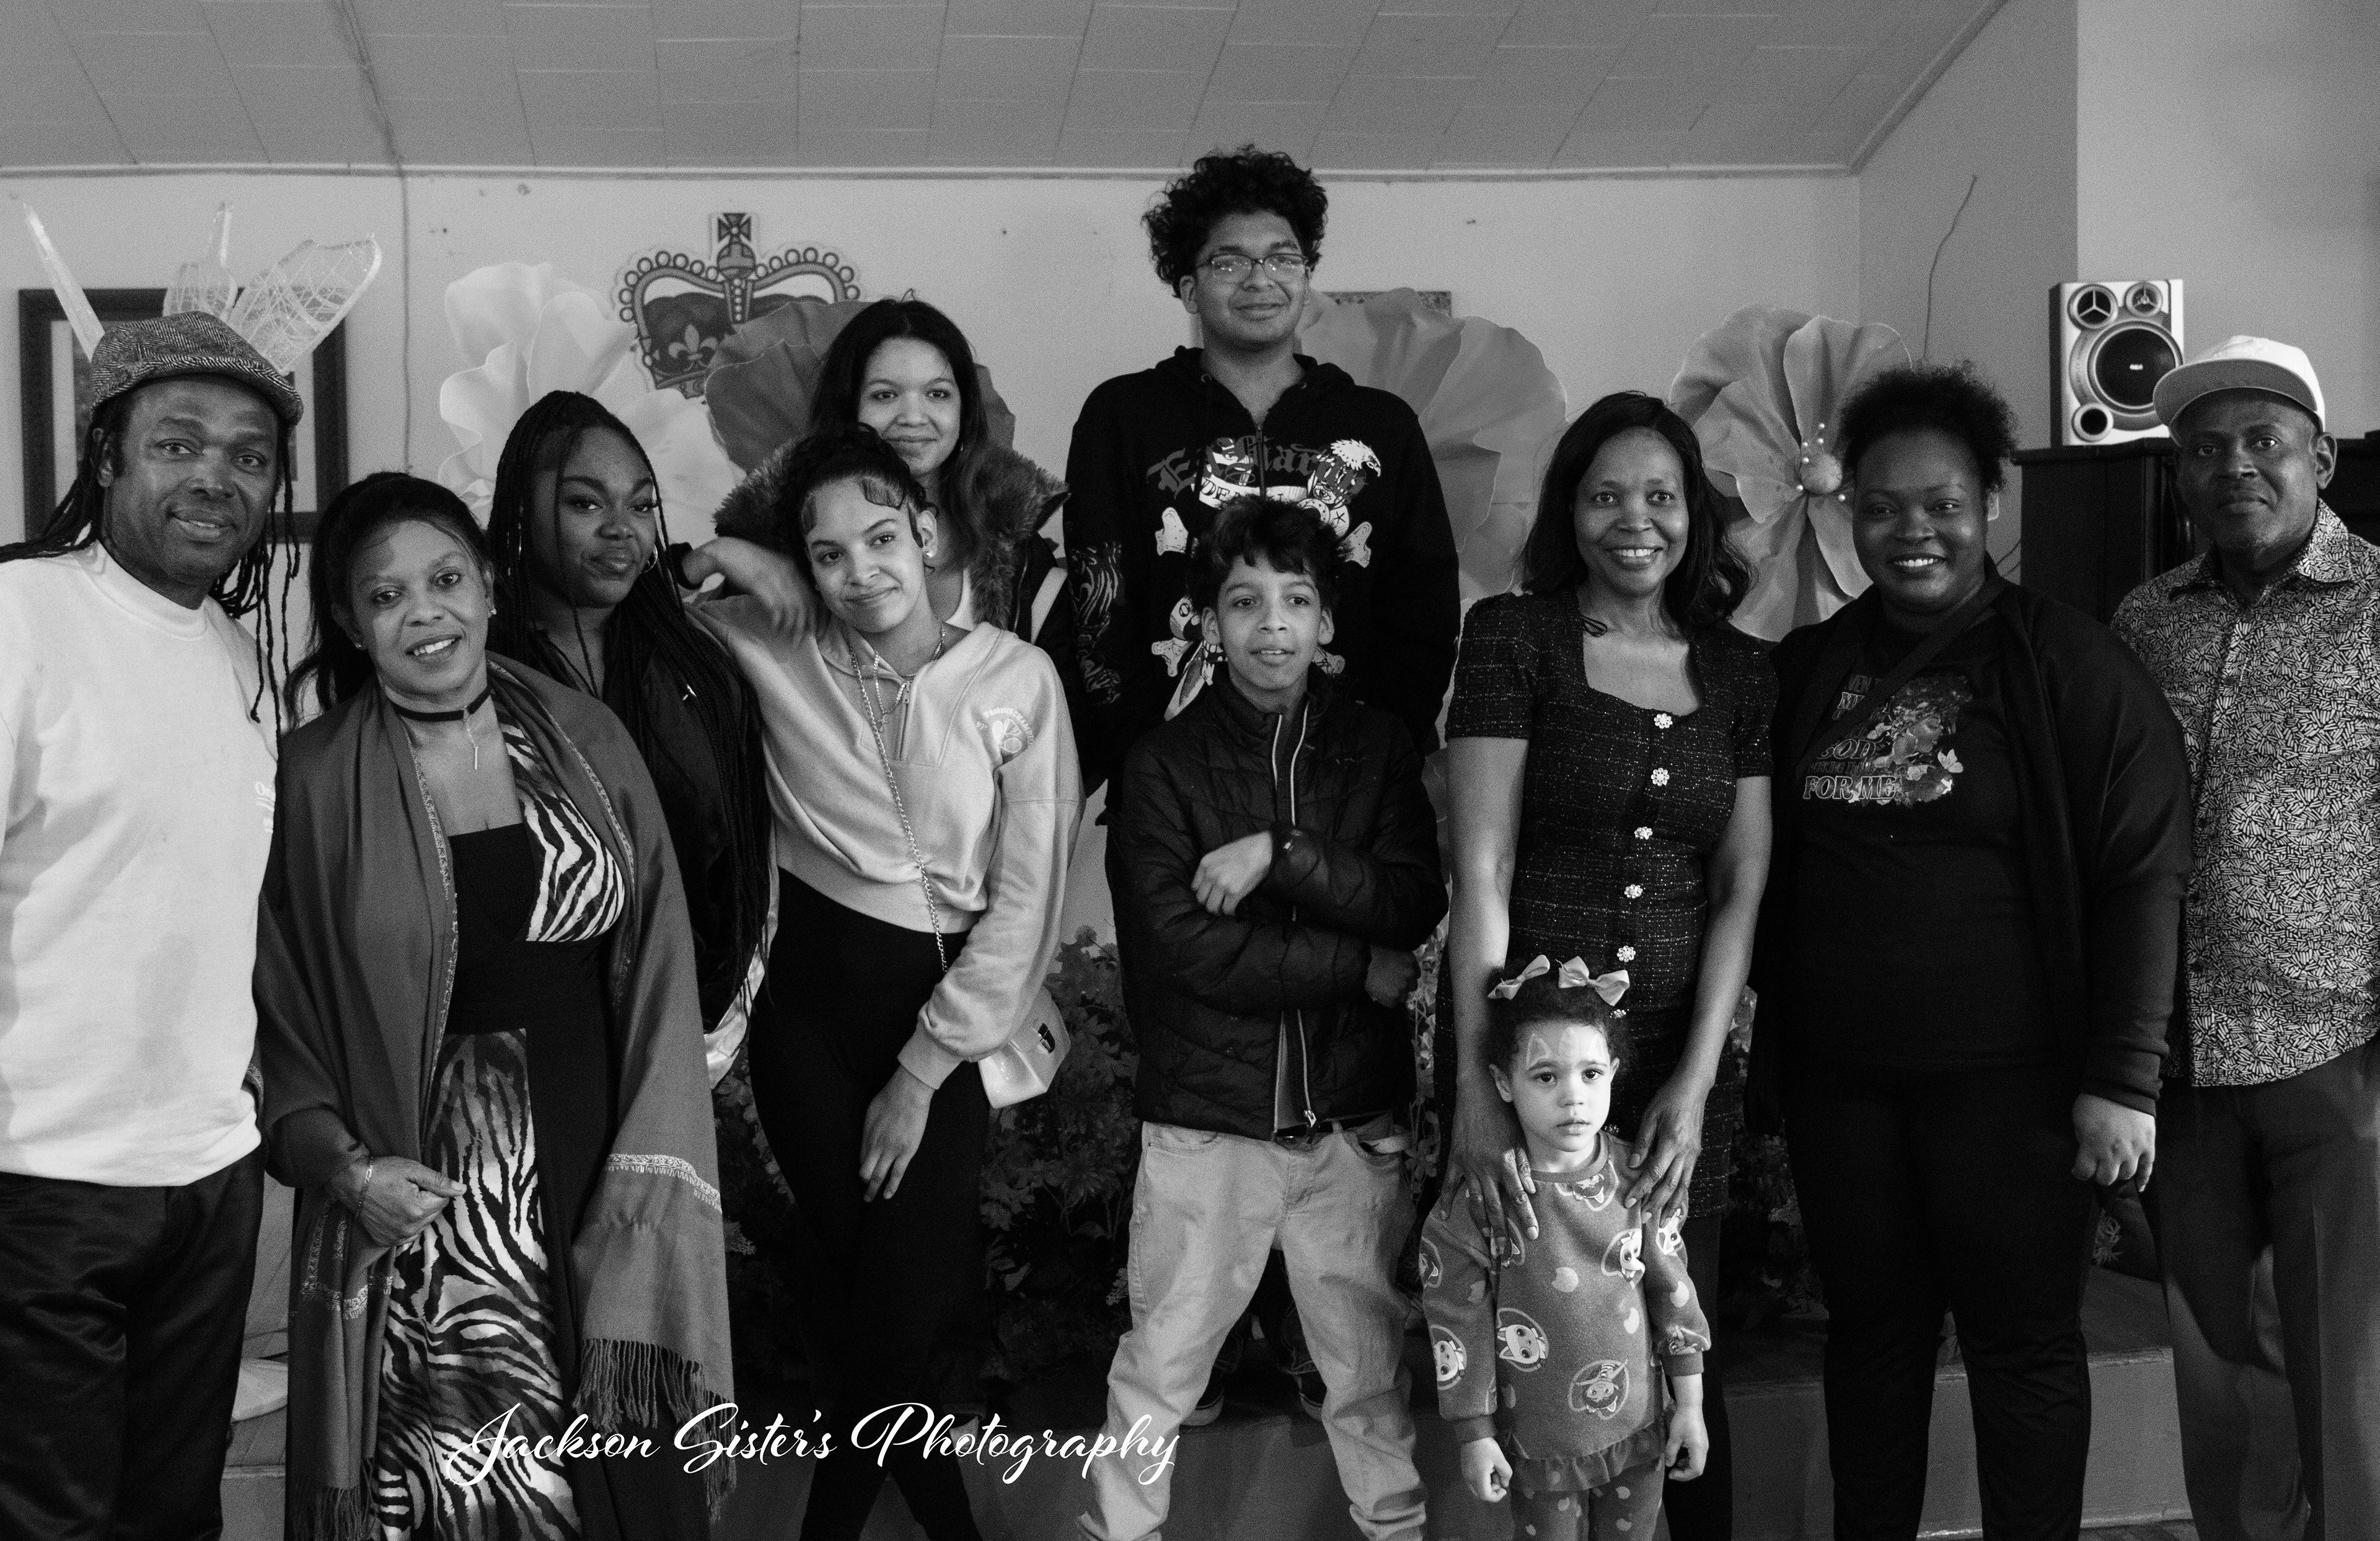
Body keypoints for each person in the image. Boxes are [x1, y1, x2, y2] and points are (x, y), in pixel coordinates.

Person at [1751, 363, 2192, 1540]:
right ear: (1848, 514)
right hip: (1844, 1088)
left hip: (2017, 1092)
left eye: (1942, 504)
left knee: (2023, 1344)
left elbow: (2145, 871)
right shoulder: (1810, 668)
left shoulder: (2066, 662)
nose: (1914, 531)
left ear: (1991, 502)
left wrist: (2124, 1077)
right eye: (1882, 507)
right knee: (1871, 1336)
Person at [259, 474, 731, 1540]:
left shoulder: (584, 735)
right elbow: (277, 1013)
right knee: (476, 1495)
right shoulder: (314, 779)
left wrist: (653, 1151)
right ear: (352, 624)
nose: (424, 612)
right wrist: (350, 1172)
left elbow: (660, 954)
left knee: (628, 1484)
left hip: (606, 1158)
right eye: (387, 596)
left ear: (486, 586)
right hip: (436, 1209)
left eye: (445, 579)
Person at [696, 426, 1082, 1541]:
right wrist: (726, 557)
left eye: (879, 539)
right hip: (805, 1027)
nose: (860, 571)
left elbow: (1027, 897)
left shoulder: (1017, 679)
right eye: (826, 554)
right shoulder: (773, 642)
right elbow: (638, 602)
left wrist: (921, 1072)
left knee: (890, 1317)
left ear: (924, 531)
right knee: (870, 1308)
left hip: (942, 1030)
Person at [1440, 391, 1770, 1539]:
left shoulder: (1742, 671)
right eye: (1606, 495)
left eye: (1662, 495)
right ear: (1570, 511)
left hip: (1677, 1058)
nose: (1637, 520)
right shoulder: (1513, 637)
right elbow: (1481, 868)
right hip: (1532, 1070)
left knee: (1682, 1334)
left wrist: (1696, 1084)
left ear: (1695, 516)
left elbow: (1740, 885)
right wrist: (1478, 1087)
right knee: (1528, 1324)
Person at [1083, 496, 1445, 1541]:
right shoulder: (1163, 765)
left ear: (1327, 620)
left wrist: (1283, 854)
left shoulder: (1376, 748)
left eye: (1296, 600)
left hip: (1350, 1125)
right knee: (1160, 1369)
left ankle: (1396, 1531)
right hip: (1208, 1126)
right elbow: (1182, 952)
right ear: (1211, 621)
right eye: (1245, 602)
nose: (1272, 624)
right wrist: (1353, 964)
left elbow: (1409, 899)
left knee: (1367, 1379)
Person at [0, 312, 297, 1540]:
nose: (216, 476)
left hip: (211, 1174)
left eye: (249, 456)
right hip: (41, 1177)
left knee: (176, 1515)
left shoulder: (239, 659)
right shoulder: (19, 617)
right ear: (106, 456)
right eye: (178, 443)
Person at [2112, 336, 2378, 1540]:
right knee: (2221, 1390)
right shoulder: (2144, 619)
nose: (2234, 467)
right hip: (2186, 1067)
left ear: (2320, 457)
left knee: (2351, 1385)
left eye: (2261, 440)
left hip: (2342, 1056)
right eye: (2204, 450)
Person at [1061, 143, 1460, 795]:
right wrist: (1147, 761)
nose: (1259, 279)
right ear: (1188, 288)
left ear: (1308, 277)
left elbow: (1423, 609)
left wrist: (1380, 752)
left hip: (1351, 783)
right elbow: (1099, 607)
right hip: (1173, 782)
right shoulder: (1122, 417)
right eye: (1229, 261)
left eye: (1282, 258)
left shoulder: (1381, 425)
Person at [1423, 963, 1712, 1541]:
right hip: (1539, 1451)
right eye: (1546, 1076)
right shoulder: (1480, 1203)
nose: (1574, 1096)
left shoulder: (1640, 1182)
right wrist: (1475, 1434)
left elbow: (1676, 1298)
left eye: (1591, 1073)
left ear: (1614, 1075)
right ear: (1504, 1083)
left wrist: (1690, 1406)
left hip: (1639, 1439)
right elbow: (1458, 1324)